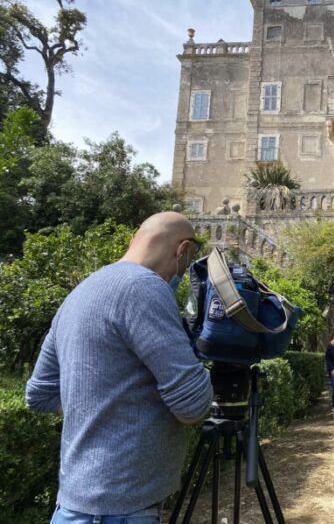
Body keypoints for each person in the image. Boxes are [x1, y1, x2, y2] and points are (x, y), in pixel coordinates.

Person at [25, 211, 214, 524]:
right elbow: (192, 407)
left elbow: (39, 394)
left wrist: (105, 411)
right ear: (181, 251)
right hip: (122, 509)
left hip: (72, 506)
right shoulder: (144, 288)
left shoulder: (80, 292)